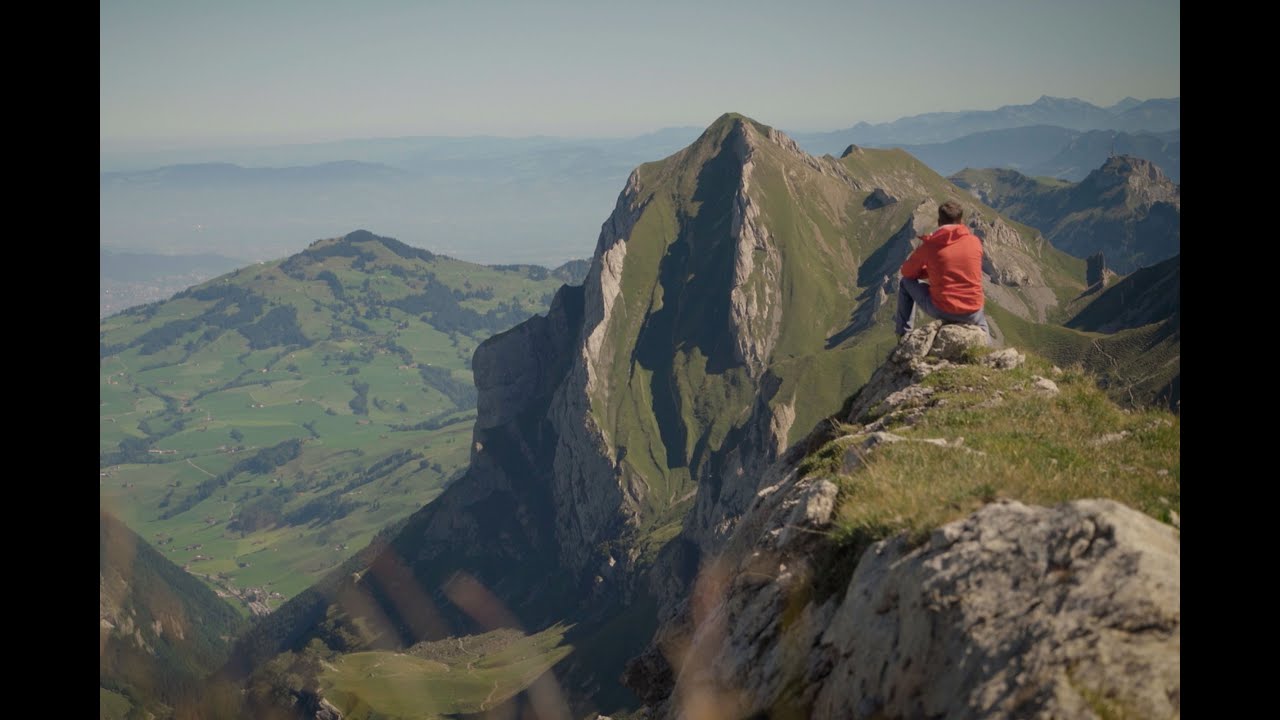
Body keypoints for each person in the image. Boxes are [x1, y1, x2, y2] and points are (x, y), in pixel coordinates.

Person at [894, 200, 990, 338]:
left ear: (939, 221)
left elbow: (907, 272)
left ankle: (903, 334)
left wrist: (928, 270)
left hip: (943, 309)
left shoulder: (930, 246)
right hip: (973, 310)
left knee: (905, 282)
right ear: (961, 221)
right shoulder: (975, 241)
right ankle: (987, 348)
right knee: (984, 335)